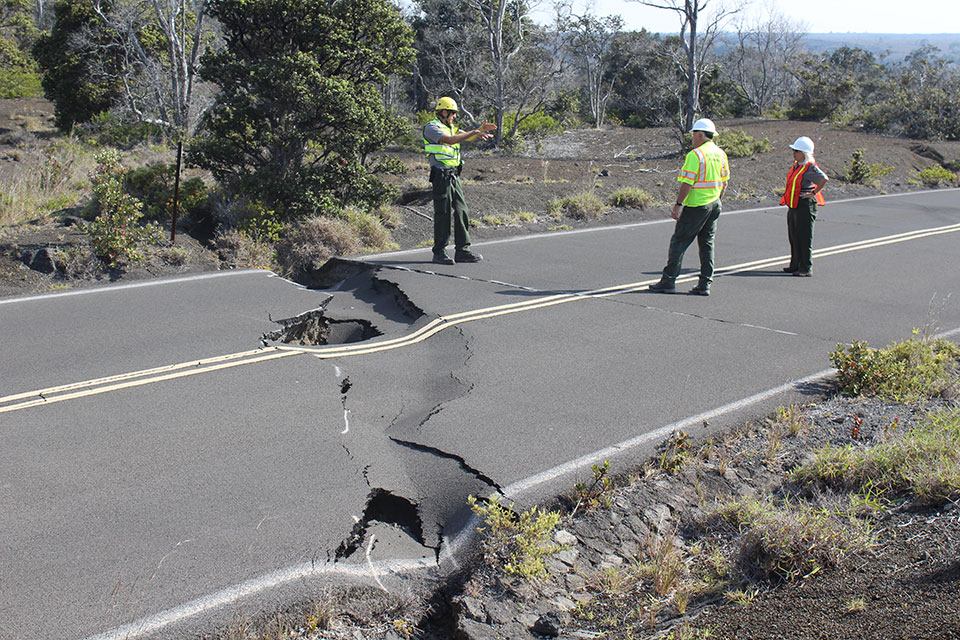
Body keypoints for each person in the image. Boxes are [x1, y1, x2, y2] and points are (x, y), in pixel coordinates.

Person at [649, 118, 730, 296]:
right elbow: (725, 181)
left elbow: (687, 183)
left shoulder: (696, 155)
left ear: (700, 135)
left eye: (694, 134)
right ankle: (705, 284)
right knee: (707, 243)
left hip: (697, 205)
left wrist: (678, 205)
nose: (692, 138)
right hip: (714, 204)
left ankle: (668, 281)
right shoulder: (720, 153)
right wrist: (717, 199)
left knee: (679, 242)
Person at [422, 97, 497, 265]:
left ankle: (462, 251)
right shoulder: (432, 127)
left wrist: (478, 130)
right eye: (453, 114)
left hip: (454, 175)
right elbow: (449, 140)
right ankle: (439, 252)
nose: (454, 117)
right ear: (444, 112)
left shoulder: (450, 127)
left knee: (462, 211)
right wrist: (474, 132)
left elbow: (465, 137)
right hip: (441, 175)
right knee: (443, 214)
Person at [781, 136, 828, 277]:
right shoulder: (797, 165)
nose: (793, 153)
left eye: (796, 151)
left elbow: (824, 178)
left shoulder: (810, 167)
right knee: (794, 235)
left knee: (804, 237)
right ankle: (795, 264)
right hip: (794, 204)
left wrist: (813, 192)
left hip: (805, 205)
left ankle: (806, 267)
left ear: (804, 153)